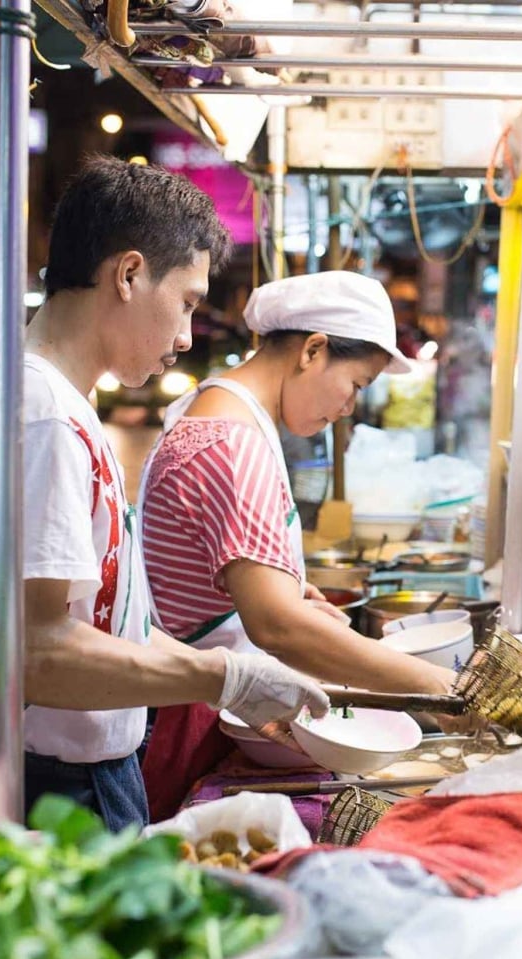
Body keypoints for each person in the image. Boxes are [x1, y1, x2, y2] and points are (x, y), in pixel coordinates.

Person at [0, 157, 329, 830]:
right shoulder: (41, 415)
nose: (188, 335)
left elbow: (106, 627)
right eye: (188, 302)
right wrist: (222, 677)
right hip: (34, 794)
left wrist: (222, 673)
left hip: (72, 779)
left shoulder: (59, 402)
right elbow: (38, 652)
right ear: (129, 274)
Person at [137, 270, 460, 821]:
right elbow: (278, 628)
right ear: (313, 350)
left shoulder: (213, 406)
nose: (350, 408)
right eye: (356, 385)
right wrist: (438, 688)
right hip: (182, 722)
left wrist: (283, 587)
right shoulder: (234, 445)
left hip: (194, 702)